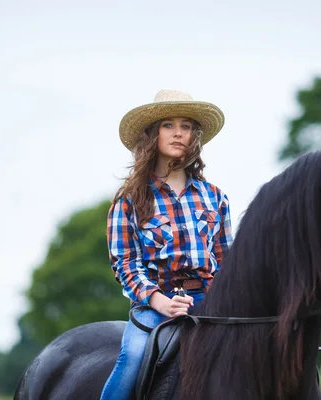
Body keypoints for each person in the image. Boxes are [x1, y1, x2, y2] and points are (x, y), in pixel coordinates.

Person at [100, 89, 234, 400]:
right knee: (132, 357)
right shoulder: (130, 200)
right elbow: (126, 265)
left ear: (194, 137)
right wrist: (160, 301)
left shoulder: (214, 196)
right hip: (155, 304)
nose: (178, 133)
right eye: (168, 125)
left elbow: (227, 261)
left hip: (211, 301)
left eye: (186, 126)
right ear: (152, 134)